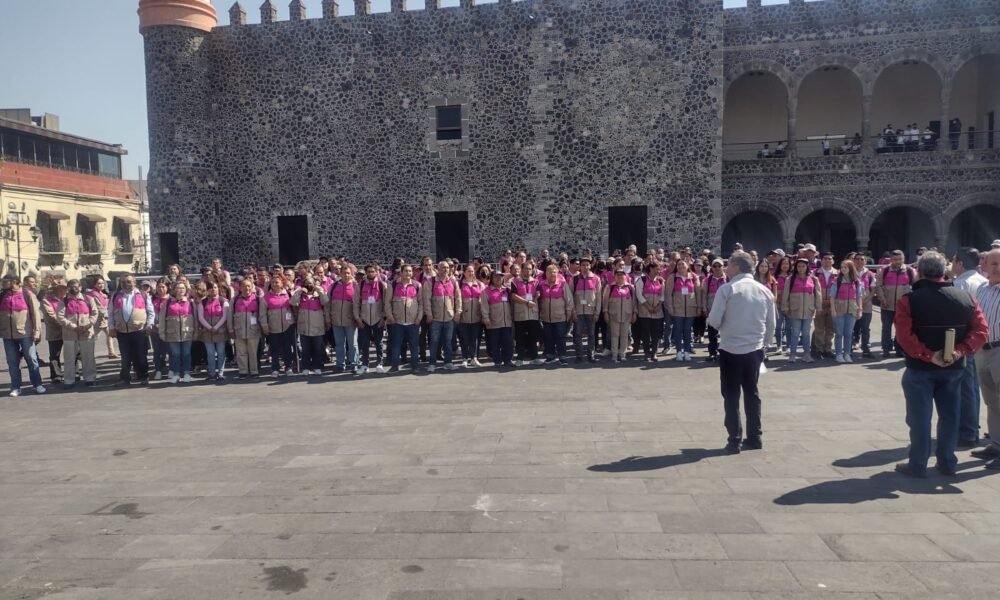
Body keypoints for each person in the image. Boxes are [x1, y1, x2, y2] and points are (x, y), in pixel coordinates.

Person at [894, 252, 988, 477]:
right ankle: (947, 461)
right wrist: (960, 351)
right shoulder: (965, 297)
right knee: (950, 416)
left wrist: (927, 354)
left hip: (920, 368)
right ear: (944, 270)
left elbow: (904, 336)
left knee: (919, 418)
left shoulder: (909, 299)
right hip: (953, 367)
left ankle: (917, 464)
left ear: (921, 271)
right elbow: (981, 330)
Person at [707, 251, 775, 454]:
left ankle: (734, 439)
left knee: (731, 395)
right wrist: (764, 345)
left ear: (736, 266)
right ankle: (755, 437)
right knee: (752, 393)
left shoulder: (727, 290)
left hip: (731, 349)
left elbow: (715, 320)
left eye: (728, 265)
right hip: (755, 350)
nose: (726, 269)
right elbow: (772, 325)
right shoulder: (764, 291)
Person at [952, 247, 989, 448]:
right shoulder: (984, 282)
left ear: (960, 263)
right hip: (983, 340)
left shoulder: (961, 283)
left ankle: (967, 431)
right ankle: (972, 427)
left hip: (964, 341)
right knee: (974, 388)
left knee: (964, 387)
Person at [973, 249, 1000, 467]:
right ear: (984, 265)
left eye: (999, 263)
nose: (996, 267)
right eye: (993, 263)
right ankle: (996, 443)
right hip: (982, 350)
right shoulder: (981, 289)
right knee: (991, 401)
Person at [0, 274, 44, 396]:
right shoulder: (3, 295)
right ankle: (15, 387)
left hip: (25, 333)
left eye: (5, 281)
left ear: (14, 282)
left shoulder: (27, 294)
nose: (3, 283)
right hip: (7, 335)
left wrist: (36, 331)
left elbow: (35, 314)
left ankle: (37, 384)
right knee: (12, 362)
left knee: (31, 359)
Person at [109, 274, 154, 386]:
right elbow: (110, 313)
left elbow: (151, 312)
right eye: (123, 282)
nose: (126, 284)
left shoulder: (143, 295)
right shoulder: (115, 296)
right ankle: (125, 378)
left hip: (139, 330)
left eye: (128, 281)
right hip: (122, 332)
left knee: (141, 356)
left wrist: (149, 325)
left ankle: (143, 376)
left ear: (134, 282)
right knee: (125, 357)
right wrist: (111, 327)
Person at [56, 279, 98, 387]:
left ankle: (90, 378)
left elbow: (95, 313)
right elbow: (60, 317)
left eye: (76, 286)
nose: (73, 289)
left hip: (86, 332)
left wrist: (89, 324)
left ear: (80, 287)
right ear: (67, 288)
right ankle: (69, 380)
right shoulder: (63, 301)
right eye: (70, 287)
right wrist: (73, 327)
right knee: (69, 358)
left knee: (88, 356)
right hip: (70, 334)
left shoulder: (88, 299)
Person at [422, 261, 462, 372]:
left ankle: (448, 362)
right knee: (434, 342)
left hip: (449, 318)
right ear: (438, 269)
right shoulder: (431, 282)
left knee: (448, 342)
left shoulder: (453, 282)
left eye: (447, 268)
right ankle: (432, 363)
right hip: (436, 318)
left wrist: (458, 312)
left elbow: (458, 298)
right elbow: (427, 299)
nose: (446, 269)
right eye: (443, 267)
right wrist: (429, 314)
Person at [876, 250, 916, 359]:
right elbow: (878, 286)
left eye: (900, 259)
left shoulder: (910, 271)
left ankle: (900, 349)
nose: (897, 261)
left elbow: (915, 288)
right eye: (895, 259)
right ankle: (886, 348)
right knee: (886, 328)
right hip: (887, 305)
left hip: (903, 307)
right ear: (891, 260)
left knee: (901, 328)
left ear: (903, 259)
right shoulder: (883, 271)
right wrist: (882, 299)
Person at [782, 258, 822, 363]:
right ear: (796, 267)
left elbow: (818, 294)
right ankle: (792, 354)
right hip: (795, 310)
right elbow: (786, 294)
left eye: (803, 266)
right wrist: (785, 307)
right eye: (799, 266)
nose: (801, 269)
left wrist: (818, 307)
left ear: (807, 267)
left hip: (809, 310)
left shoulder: (813, 279)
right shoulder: (790, 279)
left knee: (806, 333)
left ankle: (806, 354)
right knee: (795, 333)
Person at [385, 264, 422, 372]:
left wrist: (419, 318)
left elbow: (421, 304)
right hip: (397, 322)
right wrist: (390, 317)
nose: (408, 273)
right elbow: (387, 303)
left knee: (414, 346)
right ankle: (394, 366)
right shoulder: (393, 285)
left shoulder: (417, 285)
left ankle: (415, 366)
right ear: (401, 272)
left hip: (413, 322)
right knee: (396, 345)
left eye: (410, 271)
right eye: (406, 271)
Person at [159, 280, 196, 384]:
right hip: (172, 333)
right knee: (175, 354)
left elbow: (195, 318)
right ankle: (176, 374)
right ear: (174, 290)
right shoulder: (168, 303)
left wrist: (196, 331)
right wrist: (162, 332)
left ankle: (187, 373)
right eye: (178, 288)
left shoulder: (190, 303)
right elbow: (162, 319)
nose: (180, 290)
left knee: (186, 354)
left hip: (187, 333)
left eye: (183, 288)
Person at [537, 263, 574, 366]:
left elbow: (569, 300)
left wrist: (568, 313)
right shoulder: (541, 285)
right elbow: (539, 301)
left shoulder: (562, 284)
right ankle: (550, 356)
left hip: (560, 316)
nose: (552, 274)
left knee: (560, 338)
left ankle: (562, 357)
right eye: (550, 272)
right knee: (548, 337)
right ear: (546, 274)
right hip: (546, 317)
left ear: (557, 273)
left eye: (554, 272)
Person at [291, 275, 329, 376]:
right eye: (307, 283)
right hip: (304, 327)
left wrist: (320, 290)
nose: (309, 285)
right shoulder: (301, 294)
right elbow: (293, 303)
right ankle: (306, 367)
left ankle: (317, 366)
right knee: (305, 349)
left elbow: (326, 301)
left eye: (311, 283)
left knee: (318, 348)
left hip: (317, 327)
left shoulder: (319, 294)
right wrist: (298, 292)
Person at [354, 263, 387, 375]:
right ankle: (364, 365)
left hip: (378, 318)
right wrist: (358, 318)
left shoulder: (382, 285)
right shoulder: (361, 284)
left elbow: (386, 303)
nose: (370, 273)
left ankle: (379, 364)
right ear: (366, 272)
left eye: (373, 271)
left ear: (376, 272)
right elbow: (356, 302)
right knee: (364, 343)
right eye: (368, 271)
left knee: (379, 343)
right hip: (364, 319)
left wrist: (384, 318)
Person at [829, 259, 864, 363]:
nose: (843, 269)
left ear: (850, 268)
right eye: (842, 267)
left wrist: (860, 309)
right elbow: (832, 297)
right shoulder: (837, 281)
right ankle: (839, 354)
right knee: (839, 333)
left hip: (852, 309)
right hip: (839, 308)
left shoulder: (856, 281)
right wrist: (833, 310)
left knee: (849, 333)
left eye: (845, 267)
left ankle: (847, 354)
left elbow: (859, 296)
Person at [665, 258, 699, 361]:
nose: (680, 266)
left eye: (683, 264)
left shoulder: (693, 277)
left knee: (688, 331)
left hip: (690, 309)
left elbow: (698, 294)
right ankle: (679, 351)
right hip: (677, 309)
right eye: (678, 265)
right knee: (678, 331)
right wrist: (670, 308)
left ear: (688, 266)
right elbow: (668, 294)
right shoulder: (672, 277)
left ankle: (687, 351)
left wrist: (699, 307)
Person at [261, 276, 296, 376]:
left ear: (282, 283)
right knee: (274, 349)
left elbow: (294, 307)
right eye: (273, 283)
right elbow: (262, 314)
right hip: (273, 326)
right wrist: (265, 326)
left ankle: (288, 367)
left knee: (287, 348)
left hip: (287, 326)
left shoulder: (288, 294)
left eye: (277, 282)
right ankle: (275, 368)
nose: (274, 284)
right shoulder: (266, 297)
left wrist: (293, 321)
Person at [510, 261, 543, 366]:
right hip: (521, 314)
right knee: (520, 337)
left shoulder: (536, 282)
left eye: (530, 269)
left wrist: (537, 296)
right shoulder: (515, 282)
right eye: (526, 268)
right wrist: (527, 302)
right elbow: (513, 296)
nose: (528, 271)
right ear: (522, 269)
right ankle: (520, 358)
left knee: (533, 337)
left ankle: (534, 357)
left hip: (533, 314)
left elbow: (538, 294)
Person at [197, 281, 231, 381]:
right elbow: (200, 317)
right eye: (211, 288)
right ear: (207, 290)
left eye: (215, 287)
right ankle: (211, 373)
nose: (213, 290)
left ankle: (220, 373)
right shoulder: (202, 302)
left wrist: (216, 327)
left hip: (220, 331)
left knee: (221, 352)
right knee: (210, 353)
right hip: (207, 332)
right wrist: (209, 327)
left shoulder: (223, 301)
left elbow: (225, 316)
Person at [230, 277, 263, 379]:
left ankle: (254, 371)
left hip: (254, 331)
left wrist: (263, 328)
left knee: (253, 352)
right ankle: (243, 371)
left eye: (248, 286)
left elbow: (262, 316)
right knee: (241, 353)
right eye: (244, 286)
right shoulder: (234, 300)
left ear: (252, 286)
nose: (246, 288)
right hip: (239, 330)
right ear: (240, 287)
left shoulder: (258, 299)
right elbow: (230, 315)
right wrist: (231, 329)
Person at [328, 268, 359, 374]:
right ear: (340, 274)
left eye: (348, 273)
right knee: (339, 344)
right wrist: (328, 317)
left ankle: (354, 364)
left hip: (350, 320)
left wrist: (357, 318)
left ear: (352, 274)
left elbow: (358, 304)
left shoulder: (355, 286)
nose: (346, 275)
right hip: (336, 320)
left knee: (352, 344)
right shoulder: (334, 286)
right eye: (344, 273)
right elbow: (329, 303)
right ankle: (340, 364)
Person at [481, 271, 515, 368]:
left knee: (508, 342)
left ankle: (508, 360)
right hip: (494, 321)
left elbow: (512, 304)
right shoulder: (486, 291)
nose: (498, 278)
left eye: (500, 277)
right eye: (496, 277)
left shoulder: (507, 290)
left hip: (506, 321)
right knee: (495, 342)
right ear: (491, 278)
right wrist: (486, 318)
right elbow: (484, 306)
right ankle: (497, 361)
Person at [571, 257, 602, 363]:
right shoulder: (574, 279)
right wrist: (573, 311)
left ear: (590, 266)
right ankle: (579, 355)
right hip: (578, 311)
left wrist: (597, 312)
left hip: (591, 311)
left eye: (587, 265)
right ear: (580, 266)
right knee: (578, 334)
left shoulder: (596, 279)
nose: (585, 267)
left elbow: (599, 297)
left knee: (592, 334)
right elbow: (570, 296)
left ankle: (591, 355)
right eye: (583, 265)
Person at [602, 269, 637, 363]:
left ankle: (622, 354)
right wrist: (605, 312)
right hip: (613, 315)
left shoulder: (630, 287)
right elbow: (605, 301)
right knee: (614, 335)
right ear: (615, 276)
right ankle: (614, 355)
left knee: (624, 336)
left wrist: (634, 313)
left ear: (625, 276)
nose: (620, 276)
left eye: (622, 275)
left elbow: (634, 302)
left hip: (627, 315)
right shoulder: (610, 287)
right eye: (618, 275)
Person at [635, 261, 665, 362]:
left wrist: (658, 305)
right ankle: (647, 352)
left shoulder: (661, 280)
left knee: (656, 333)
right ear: (651, 269)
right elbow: (639, 294)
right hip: (645, 311)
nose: (659, 270)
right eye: (657, 268)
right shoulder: (642, 280)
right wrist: (647, 306)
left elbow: (663, 295)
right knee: (646, 333)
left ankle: (654, 352)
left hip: (657, 311)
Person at [456, 264, 485, 368]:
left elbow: (483, 299)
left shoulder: (480, 284)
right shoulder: (459, 284)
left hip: (476, 315)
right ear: (464, 273)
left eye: (472, 271)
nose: (470, 273)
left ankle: (474, 358)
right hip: (464, 316)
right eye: (468, 271)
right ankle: (465, 358)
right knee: (464, 339)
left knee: (474, 338)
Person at [39, 281, 67, 385]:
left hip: (69, 331)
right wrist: (66, 323)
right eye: (61, 288)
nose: (64, 290)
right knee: (55, 355)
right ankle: (56, 376)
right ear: (56, 289)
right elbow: (51, 315)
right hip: (55, 331)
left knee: (73, 353)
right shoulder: (46, 300)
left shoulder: (68, 298)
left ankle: (73, 373)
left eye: (65, 288)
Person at [811, 253, 837, 359]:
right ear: (821, 261)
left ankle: (828, 349)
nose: (827, 261)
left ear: (833, 261)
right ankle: (818, 349)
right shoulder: (814, 273)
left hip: (832, 305)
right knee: (819, 328)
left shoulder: (838, 274)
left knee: (830, 329)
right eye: (825, 259)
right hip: (819, 304)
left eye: (829, 259)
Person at [701, 259, 728, 362]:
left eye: (719, 266)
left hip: (726, 311)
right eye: (715, 266)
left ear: (723, 267)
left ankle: (724, 353)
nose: (717, 268)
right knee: (712, 334)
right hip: (712, 310)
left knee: (725, 333)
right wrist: (704, 308)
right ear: (711, 268)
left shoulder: (728, 279)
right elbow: (704, 296)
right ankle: (712, 353)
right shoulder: (707, 280)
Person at [851, 253, 876, 358]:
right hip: (852, 303)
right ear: (854, 261)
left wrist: (865, 301)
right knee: (851, 327)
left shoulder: (870, 274)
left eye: (862, 259)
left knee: (865, 327)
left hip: (866, 304)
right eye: (857, 259)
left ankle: (865, 348)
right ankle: (849, 348)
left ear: (865, 261)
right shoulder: (849, 273)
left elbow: (873, 290)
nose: (860, 261)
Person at [87, 275, 117, 359]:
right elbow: (99, 308)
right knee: (92, 337)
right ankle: (85, 353)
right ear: (94, 284)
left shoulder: (102, 293)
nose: (101, 285)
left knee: (109, 335)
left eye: (102, 283)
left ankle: (111, 353)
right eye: (99, 283)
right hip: (98, 319)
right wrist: (108, 315)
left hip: (105, 319)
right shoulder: (93, 294)